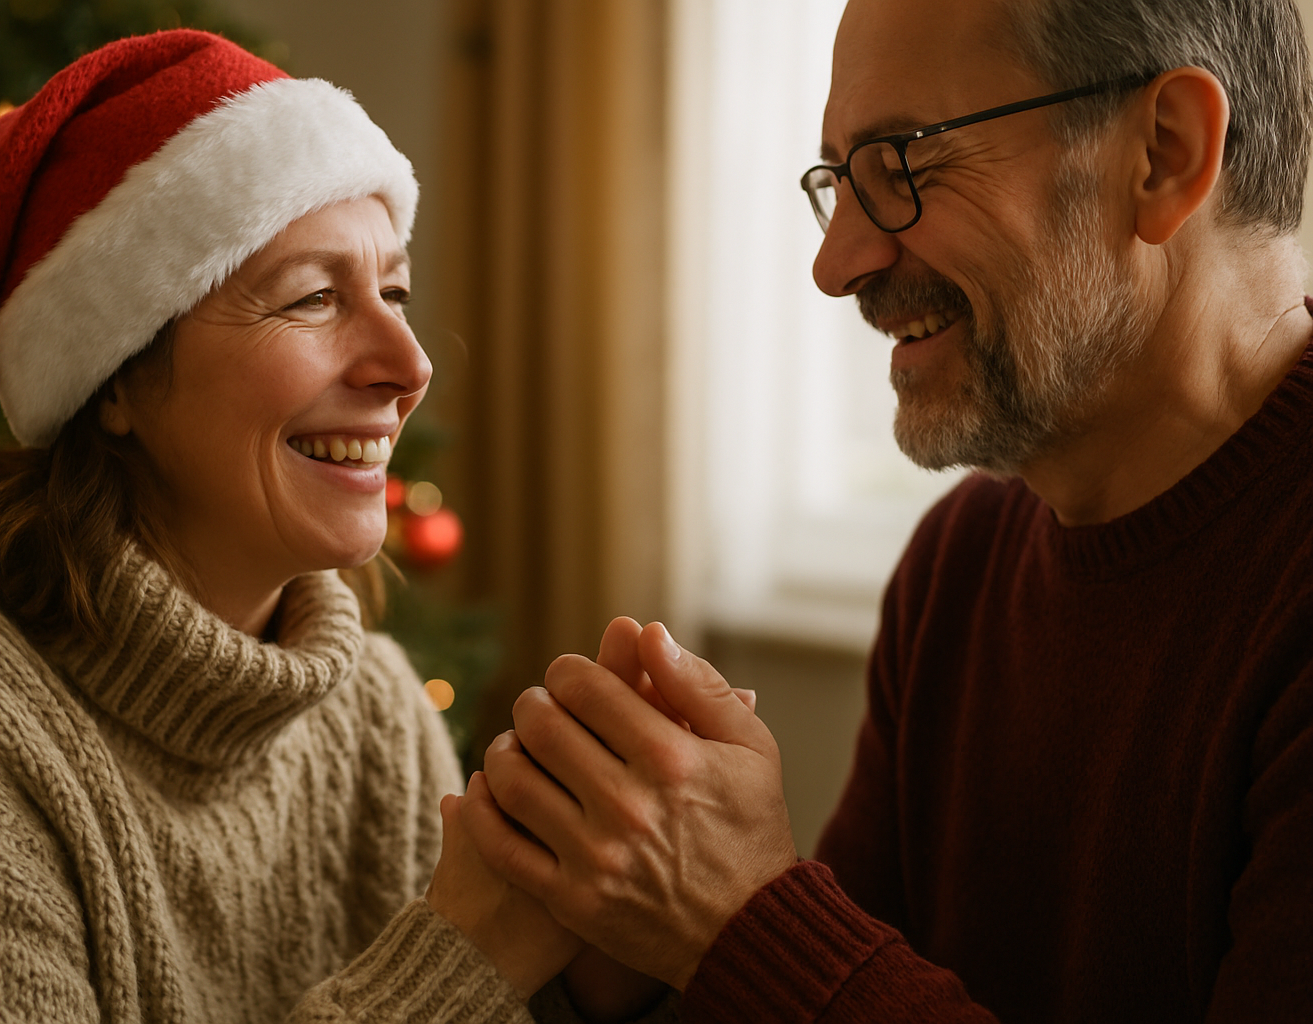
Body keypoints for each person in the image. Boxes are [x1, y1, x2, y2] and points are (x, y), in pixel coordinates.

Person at [0, 30, 669, 1024]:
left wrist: (608, 985)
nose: (410, 365)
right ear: (116, 380)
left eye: (396, 292)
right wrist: (466, 958)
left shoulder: (375, 713)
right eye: (313, 298)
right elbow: (458, 974)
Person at [458, 0, 1313, 1020]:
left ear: (1165, 154)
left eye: (904, 164)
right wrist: (626, 962)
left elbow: (803, 973)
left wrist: (742, 925)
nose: (837, 267)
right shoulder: (963, 562)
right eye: (839, 182)